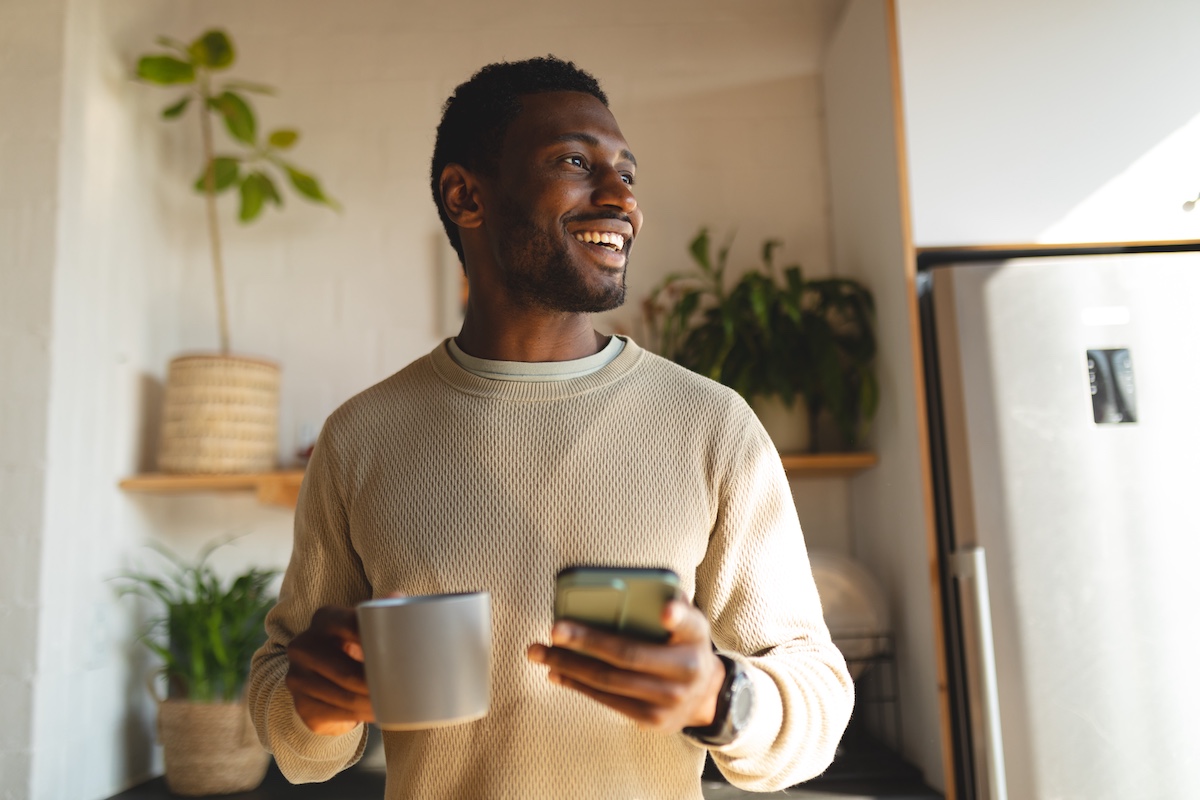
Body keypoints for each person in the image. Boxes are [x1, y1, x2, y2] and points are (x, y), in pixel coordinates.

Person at [247, 56, 853, 800]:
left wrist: (720, 698)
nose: (619, 198)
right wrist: (314, 706)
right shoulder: (361, 437)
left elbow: (816, 693)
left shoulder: (712, 425)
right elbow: (290, 716)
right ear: (466, 195)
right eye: (575, 161)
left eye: (627, 174)